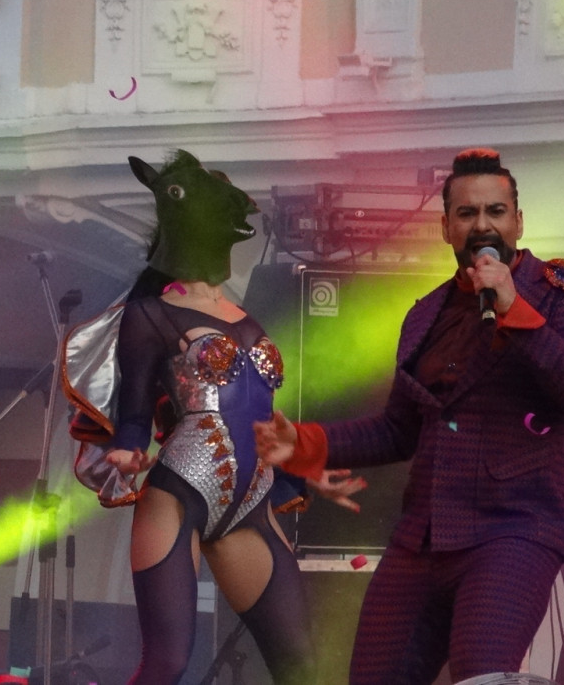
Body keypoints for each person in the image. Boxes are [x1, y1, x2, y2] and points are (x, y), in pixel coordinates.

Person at [256, 147, 564, 684]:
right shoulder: (425, 314)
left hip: (513, 530)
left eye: (495, 211)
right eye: (467, 213)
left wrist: (514, 309)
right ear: (446, 227)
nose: (482, 225)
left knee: (482, 678)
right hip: (422, 538)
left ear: (518, 221)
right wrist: (306, 444)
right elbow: (398, 430)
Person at [62, 150, 364, 685]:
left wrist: (306, 465)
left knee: (301, 666)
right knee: (167, 663)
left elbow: (260, 416)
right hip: (178, 497)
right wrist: (127, 450)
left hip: (250, 504)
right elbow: (135, 409)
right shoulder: (151, 313)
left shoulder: (248, 318)